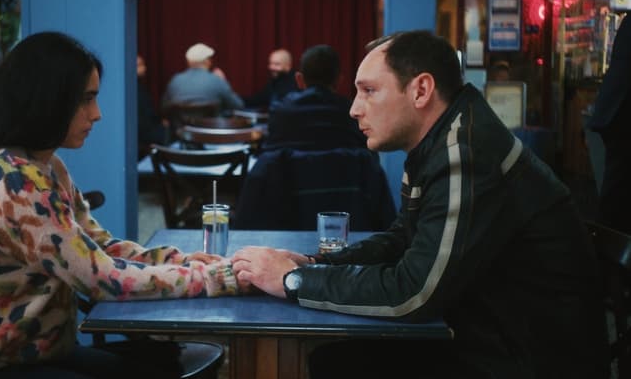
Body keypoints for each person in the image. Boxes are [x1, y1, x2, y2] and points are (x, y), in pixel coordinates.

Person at [231, 30, 609, 378]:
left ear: (421, 90)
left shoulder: (466, 153)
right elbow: (404, 239)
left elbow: (414, 292)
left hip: (530, 360)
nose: (354, 109)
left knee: (337, 364)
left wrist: (292, 280)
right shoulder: (443, 140)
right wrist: (313, 264)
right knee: (334, 358)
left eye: (369, 91)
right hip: (489, 334)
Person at [0, 32, 244, 378]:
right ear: (47, 99)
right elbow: (100, 278)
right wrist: (214, 278)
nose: (97, 114)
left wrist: (181, 260)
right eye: (85, 99)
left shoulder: (44, 165)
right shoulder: (12, 179)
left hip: (35, 353)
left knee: (159, 365)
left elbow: (100, 246)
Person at [262, 44, 366, 151]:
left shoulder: (280, 111)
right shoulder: (353, 113)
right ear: (339, 80)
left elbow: (270, 155)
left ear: (299, 79)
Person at [587, 14, 631, 233]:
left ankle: (608, 240)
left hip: (617, 112)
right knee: (618, 194)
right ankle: (609, 243)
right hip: (622, 114)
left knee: (617, 191)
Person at [160, 42, 244, 113]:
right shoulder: (216, 80)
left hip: (181, 128)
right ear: (207, 61)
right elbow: (238, 105)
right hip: (210, 127)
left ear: (188, 62)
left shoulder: (175, 81)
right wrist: (223, 81)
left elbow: (164, 108)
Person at [137, 54, 167, 154]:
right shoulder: (137, 90)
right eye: (139, 65)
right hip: (145, 133)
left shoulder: (139, 87)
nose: (144, 68)